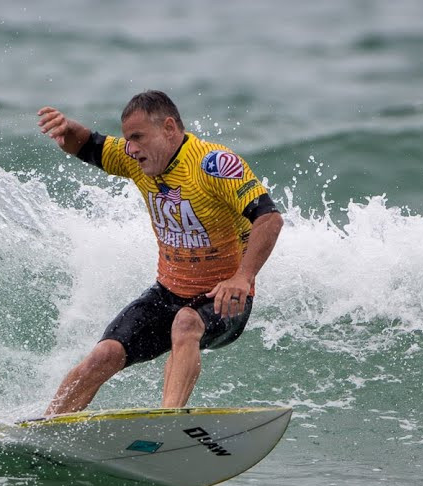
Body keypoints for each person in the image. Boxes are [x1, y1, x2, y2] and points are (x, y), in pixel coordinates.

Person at [37, 90, 283, 416]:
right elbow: (87, 144)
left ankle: (167, 424)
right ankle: (48, 428)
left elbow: (269, 218)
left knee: (185, 323)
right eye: (128, 139)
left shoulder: (213, 165)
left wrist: (242, 277)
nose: (131, 147)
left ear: (168, 128)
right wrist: (66, 128)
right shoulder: (135, 160)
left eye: (138, 137)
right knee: (103, 355)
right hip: (167, 293)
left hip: (224, 299)